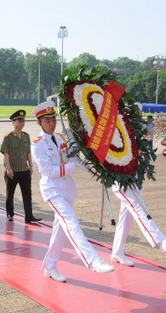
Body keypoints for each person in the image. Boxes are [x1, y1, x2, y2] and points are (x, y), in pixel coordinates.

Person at [31, 101, 114, 282]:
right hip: (52, 190)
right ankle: (92, 259)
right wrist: (73, 166)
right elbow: (50, 171)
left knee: (59, 230)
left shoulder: (61, 138)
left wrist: (97, 172)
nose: (52, 124)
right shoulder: (37, 144)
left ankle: (50, 266)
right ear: (39, 123)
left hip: (67, 188)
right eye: (47, 121)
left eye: (53, 119)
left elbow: (76, 159)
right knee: (71, 222)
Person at [110, 184, 166, 266]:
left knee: (125, 219)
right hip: (121, 184)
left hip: (131, 181)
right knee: (140, 210)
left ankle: (117, 252)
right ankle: (162, 241)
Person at [1, 110, 41, 223]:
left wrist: (31, 165)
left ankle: (29, 216)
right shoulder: (8, 137)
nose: (21, 123)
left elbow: (28, 152)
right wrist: (8, 169)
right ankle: (10, 213)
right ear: (13, 123)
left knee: (27, 194)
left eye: (23, 121)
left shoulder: (26, 136)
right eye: (19, 121)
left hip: (24, 170)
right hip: (12, 171)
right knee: (10, 193)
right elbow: (6, 154)